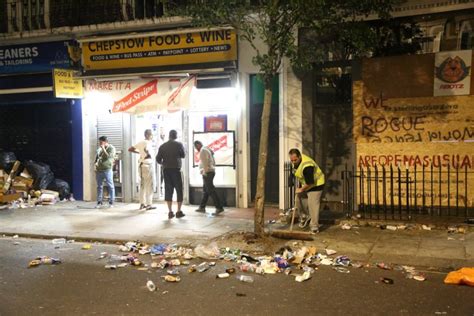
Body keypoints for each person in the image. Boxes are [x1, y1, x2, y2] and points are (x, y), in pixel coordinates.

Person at [289, 148, 325, 233]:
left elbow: (310, 183)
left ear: (300, 157)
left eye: (295, 160)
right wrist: (292, 182)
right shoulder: (294, 162)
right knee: (298, 200)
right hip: (306, 184)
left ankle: (314, 227)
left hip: (316, 184)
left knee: (312, 205)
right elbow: (296, 172)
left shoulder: (307, 165)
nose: (293, 162)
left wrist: (301, 189)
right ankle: (304, 216)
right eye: (292, 160)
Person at [156, 130, 185, 219]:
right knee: (179, 190)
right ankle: (178, 211)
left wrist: (164, 163)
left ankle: (170, 212)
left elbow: (158, 159)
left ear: (169, 136)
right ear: (175, 136)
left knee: (168, 190)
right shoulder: (179, 145)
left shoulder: (162, 146)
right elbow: (183, 155)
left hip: (166, 171)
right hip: (176, 170)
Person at [194, 140, 224, 215]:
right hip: (210, 172)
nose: (196, 149)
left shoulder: (203, 150)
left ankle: (219, 207)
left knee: (211, 190)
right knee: (206, 191)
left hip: (208, 173)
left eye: (196, 147)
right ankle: (202, 207)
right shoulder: (206, 149)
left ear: (198, 145)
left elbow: (205, 163)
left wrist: (204, 172)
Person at [128, 129, 156, 210]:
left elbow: (130, 149)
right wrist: (145, 153)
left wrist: (139, 153)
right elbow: (148, 152)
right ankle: (149, 204)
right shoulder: (148, 143)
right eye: (151, 135)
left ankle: (142, 203)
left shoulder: (141, 142)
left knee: (142, 185)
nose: (152, 136)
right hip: (148, 165)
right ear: (148, 135)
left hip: (141, 165)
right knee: (149, 186)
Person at [94, 136, 116, 208]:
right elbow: (97, 158)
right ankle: (99, 202)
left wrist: (103, 148)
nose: (100, 143)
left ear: (105, 141)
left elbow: (108, 157)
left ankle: (111, 202)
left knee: (110, 186)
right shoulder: (99, 149)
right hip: (99, 170)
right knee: (99, 186)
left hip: (107, 170)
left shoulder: (111, 148)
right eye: (99, 142)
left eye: (101, 142)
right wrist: (95, 166)